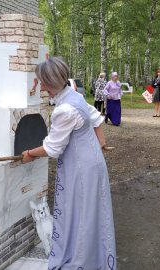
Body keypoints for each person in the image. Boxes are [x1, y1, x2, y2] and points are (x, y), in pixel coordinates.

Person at [22, 57, 117, 270]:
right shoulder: (74, 95)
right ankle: (93, 254)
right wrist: (101, 142)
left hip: (82, 167)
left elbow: (52, 149)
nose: (40, 85)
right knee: (89, 210)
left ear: (50, 83)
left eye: (41, 82)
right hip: (92, 161)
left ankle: (82, 260)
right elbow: (95, 118)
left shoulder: (64, 110)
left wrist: (29, 153)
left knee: (82, 212)